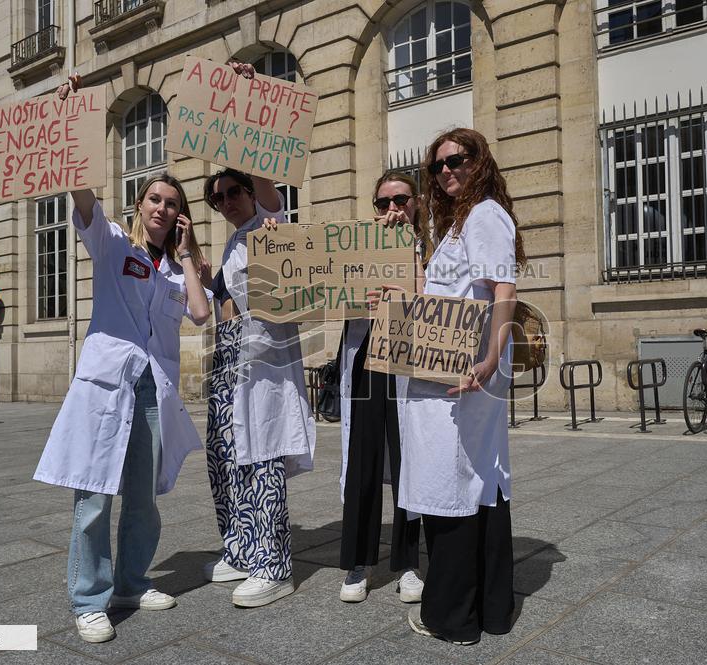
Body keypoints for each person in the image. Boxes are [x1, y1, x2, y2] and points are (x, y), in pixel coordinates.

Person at [34, 69, 213, 647]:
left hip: (153, 390)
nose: (162, 208)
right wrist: (71, 122)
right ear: (140, 204)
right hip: (108, 384)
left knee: (142, 498)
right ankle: (90, 599)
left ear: (180, 216)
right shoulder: (111, 243)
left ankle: (133, 582)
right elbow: (81, 193)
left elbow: (201, 314)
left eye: (173, 204)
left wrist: (187, 255)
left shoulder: (173, 270)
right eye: (155, 199)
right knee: (93, 495)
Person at [394, 128, 523, 645]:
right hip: (447, 369)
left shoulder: (485, 213)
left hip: (463, 372)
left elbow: (504, 287)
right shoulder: (458, 223)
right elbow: (437, 292)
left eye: (457, 160)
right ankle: (486, 609)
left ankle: (451, 617)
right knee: (473, 479)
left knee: (447, 481)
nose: (446, 170)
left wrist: (491, 356)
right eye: (438, 165)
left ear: (479, 162)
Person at [202, 62, 315, 609]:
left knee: (263, 452)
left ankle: (275, 565)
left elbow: (269, 178)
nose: (226, 202)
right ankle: (243, 547)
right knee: (230, 456)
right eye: (218, 197)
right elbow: (227, 298)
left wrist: (249, 103)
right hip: (230, 361)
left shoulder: (272, 223)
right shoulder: (232, 243)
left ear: (251, 192)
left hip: (265, 361)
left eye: (233, 192)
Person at [336, 171, 430, 604]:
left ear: (417, 203)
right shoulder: (353, 247)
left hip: (408, 360)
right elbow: (316, 287)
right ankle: (359, 561)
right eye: (383, 202)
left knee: (409, 457)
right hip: (366, 357)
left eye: (401, 200)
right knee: (364, 459)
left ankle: (408, 561)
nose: (392, 209)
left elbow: (434, 303)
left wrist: (408, 253)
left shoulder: (431, 248)